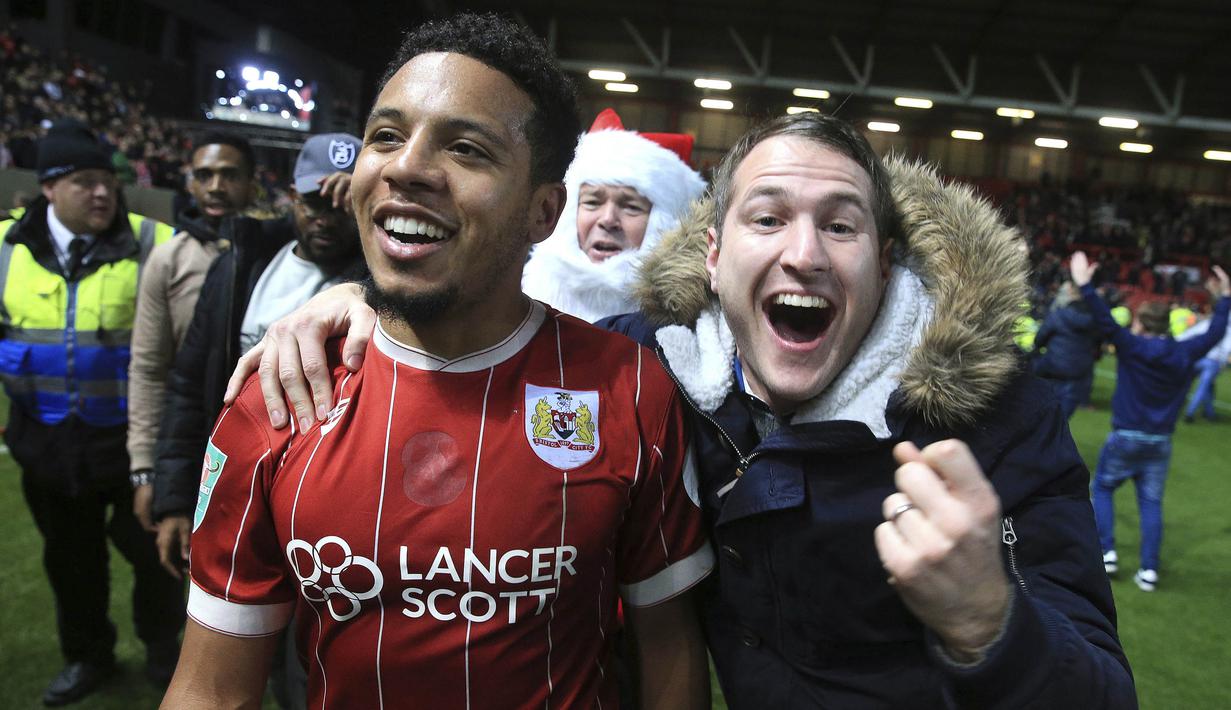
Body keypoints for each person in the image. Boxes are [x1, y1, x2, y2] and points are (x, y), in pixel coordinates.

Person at [232, 114, 1137, 708]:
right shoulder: (640, 366)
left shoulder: (995, 415)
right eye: (768, 218)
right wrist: (374, 310)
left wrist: (989, 623)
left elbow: (1102, 691)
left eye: (841, 225)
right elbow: (495, 338)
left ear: (887, 262)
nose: (805, 255)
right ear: (710, 255)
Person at [162, 14, 712, 709]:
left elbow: (667, 647)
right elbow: (212, 691)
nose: (405, 166)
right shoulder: (278, 394)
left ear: (544, 213)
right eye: (385, 136)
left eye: (466, 149)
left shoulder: (630, 387)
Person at [0, 119, 183, 706]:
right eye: (85, 182)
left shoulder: (155, 241)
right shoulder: (4, 249)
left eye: (108, 180)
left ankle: (162, 647)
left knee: (156, 557)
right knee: (70, 562)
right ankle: (88, 656)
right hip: (47, 443)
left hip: (134, 445)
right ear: (49, 187)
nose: (103, 193)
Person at [152, 131, 364, 579]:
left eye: (344, 203)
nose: (328, 217)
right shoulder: (240, 267)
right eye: (314, 201)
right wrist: (173, 496)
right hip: (234, 483)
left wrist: (370, 218)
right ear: (290, 198)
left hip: (327, 504)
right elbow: (189, 384)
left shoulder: (380, 286)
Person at [1072, 252, 1230, 592]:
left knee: (1101, 488)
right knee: (1151, 504)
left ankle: (1108, 551)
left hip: (1126, 435)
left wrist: (1084, 283)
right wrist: (1225, 296)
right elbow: (1217, 331)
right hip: (1160, 441)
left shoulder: (1131, 346)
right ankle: (1149, 571)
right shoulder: (1184, 352)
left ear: (1141, 323)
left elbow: (1104, 320)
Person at [127, 131, 258, 538]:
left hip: (261, 441)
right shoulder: (169, 259)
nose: (216, 186)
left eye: (229, 175)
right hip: (190, 438)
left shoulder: (280, 253)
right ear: (190, 183)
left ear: (252, 183)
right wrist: (145, 467)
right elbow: (150, 368)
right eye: (204, 175)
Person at [521, 108, 705, 322]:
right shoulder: (521, 296)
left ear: (665, 223)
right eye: (592, 202)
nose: (608, 219)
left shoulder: (688, 321)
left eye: (631, 207)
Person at [1033, 282, 1102, 418]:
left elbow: (1040, 338)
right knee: (1063, 415)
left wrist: (1037, 348)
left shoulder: (1058, 315)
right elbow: (1098, 342)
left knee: (1041, 407)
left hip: (1053, 366)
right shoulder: (1094, 320)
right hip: (1078, 371)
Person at [1180, 308, 1231, 422]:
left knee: (1205, 385)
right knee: (1203, 386)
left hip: (1198, 358)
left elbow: (1186, 335)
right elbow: (1227, 349)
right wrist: (1222, 362)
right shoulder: (1228, 330)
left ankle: (1209, 413)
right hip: (1213, 362)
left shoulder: (1207, 323)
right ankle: (1190, 413)